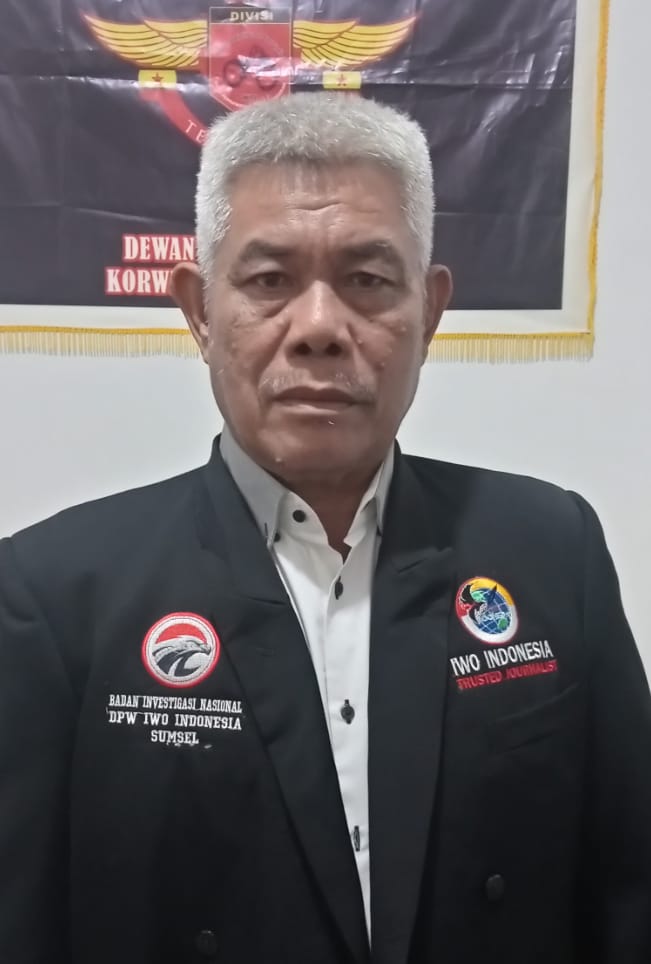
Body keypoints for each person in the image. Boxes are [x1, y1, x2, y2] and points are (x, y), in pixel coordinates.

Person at [0, 91, 649, 964]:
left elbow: (626, 889)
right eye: (269, 281)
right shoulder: (53, 597)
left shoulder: (551, 548)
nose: (317, 329)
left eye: (367, 281)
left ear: (430, 311)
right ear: (198, 311)